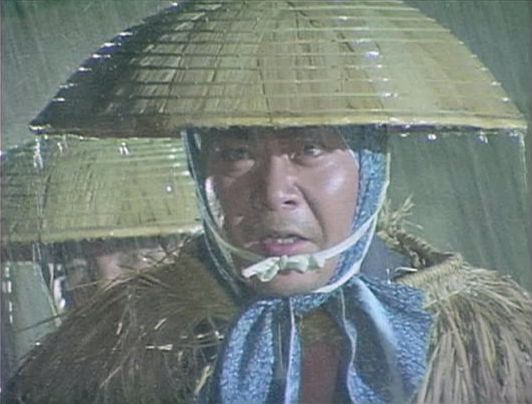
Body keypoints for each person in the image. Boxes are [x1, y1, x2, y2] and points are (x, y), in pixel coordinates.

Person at [4, 1, 531, 403]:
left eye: (310, 149)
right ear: (199, 171)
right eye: (236, 153)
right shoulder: (113, 344)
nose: (274, 191)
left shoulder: (483, 338)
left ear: (370, 168)